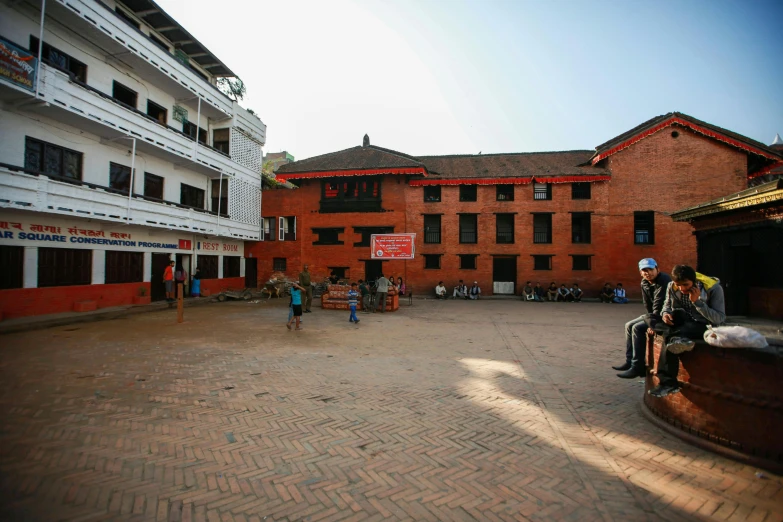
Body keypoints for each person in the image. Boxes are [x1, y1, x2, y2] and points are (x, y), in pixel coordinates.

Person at [648, 264, 725, 397]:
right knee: (649, 318)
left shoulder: (713, 288)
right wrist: (666, 314)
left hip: (703, 325)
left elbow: (719, 319)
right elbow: (666, 306)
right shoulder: (672, 286)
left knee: (670, 336)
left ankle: (668, 383)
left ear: (694, 281)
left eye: (686, 284)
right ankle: (678, 338)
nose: (682, 288)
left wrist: (698, 303)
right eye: (679, 285)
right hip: (681, 323)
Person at [614, 258, 672, 378]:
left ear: (657, 269)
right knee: (628, 325)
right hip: (654, 314)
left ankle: (637, 367)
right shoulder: (644, 282)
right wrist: (650, 319)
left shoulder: (664, 280)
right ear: (640, 272)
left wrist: (653, 323)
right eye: (644, 270)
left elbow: (659, 302)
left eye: (650, 269)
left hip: (666, 314)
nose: (648, 273)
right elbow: (647, 304)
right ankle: (629, 361)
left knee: (637, 328)